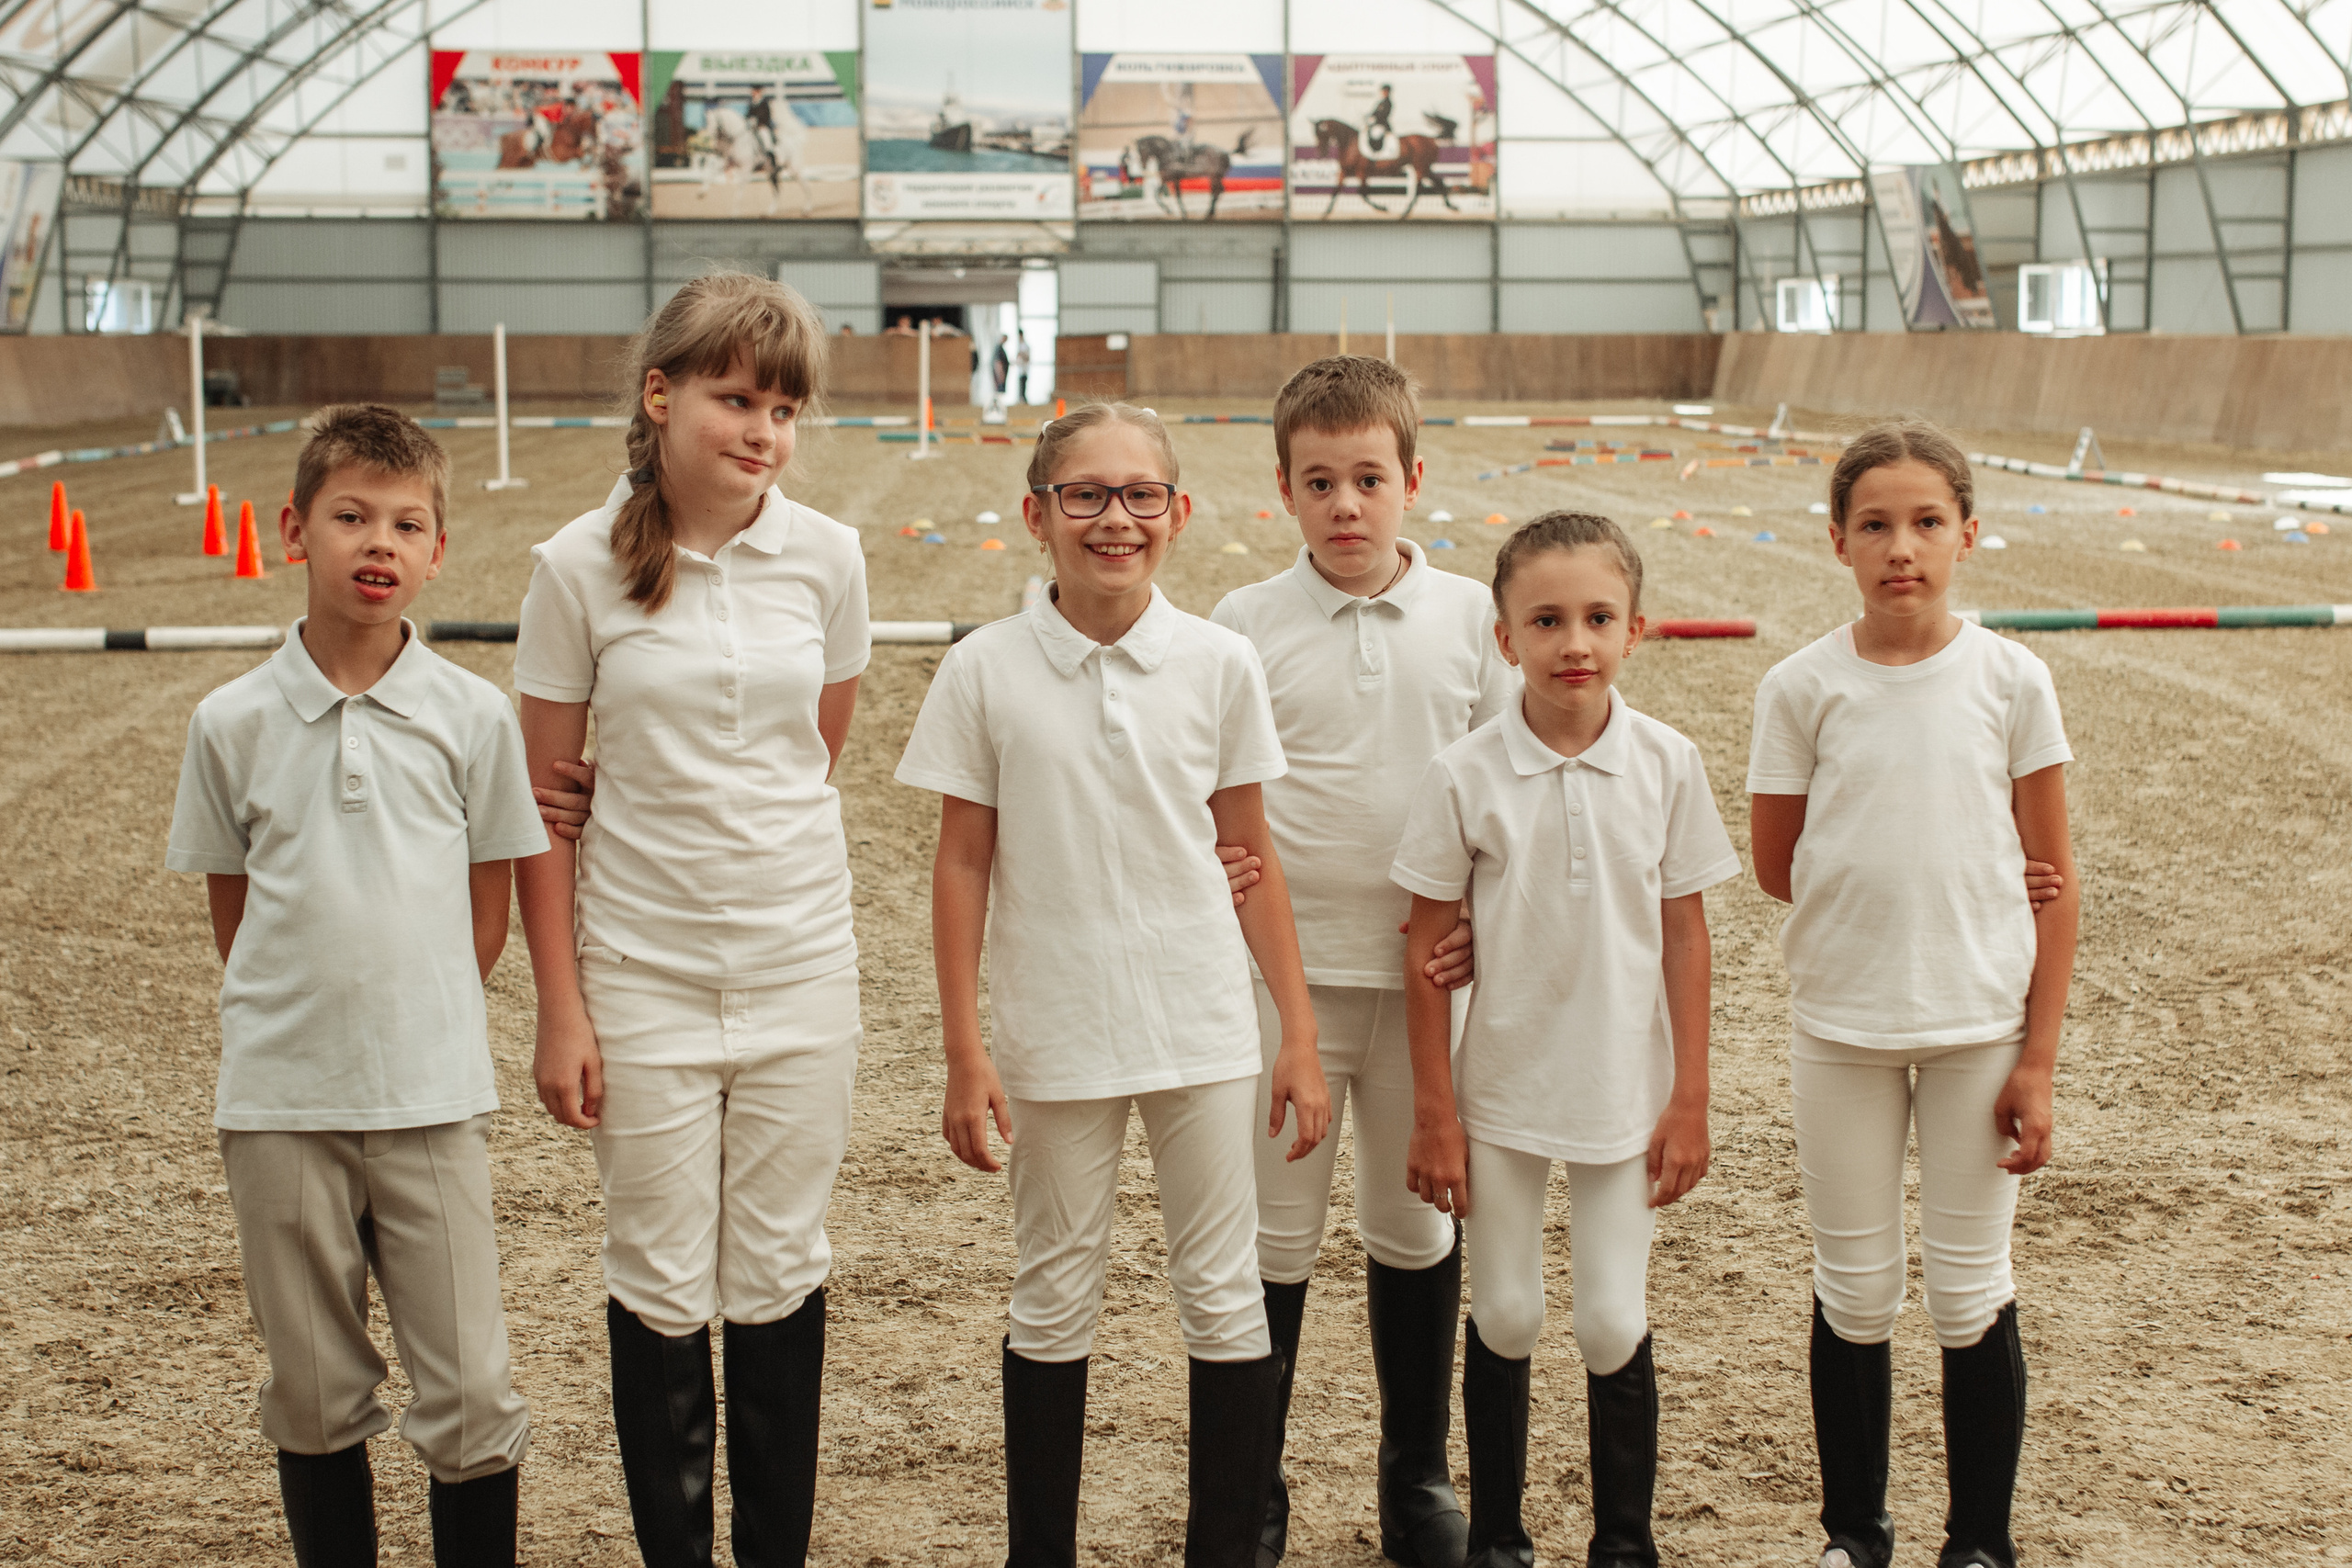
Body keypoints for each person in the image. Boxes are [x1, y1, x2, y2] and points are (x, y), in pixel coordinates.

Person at [896, 401, 1329, 1567]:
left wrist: (1295, 1030)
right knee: (1051, 1292)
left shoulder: (1220, 663)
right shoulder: (983, 669)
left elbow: (1250, 854)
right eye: (1084, 495)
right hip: (1056, 1029)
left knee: (1223, 1295)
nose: (1114, 519)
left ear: (1177, 514)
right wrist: (965, 1048)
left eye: (1140, 495)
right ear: (1037, 514)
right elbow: (962, 863)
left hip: (1201, 1023)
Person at [514, 271, 867, 1568]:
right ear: (660, 396)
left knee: (778, 1266)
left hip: (800, 969)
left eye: (784, 409)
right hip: (641, 975)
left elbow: (812, 753)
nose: (763, 430)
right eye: (736, 399)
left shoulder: (829, 558)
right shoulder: (574, 566)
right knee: (658, 1274)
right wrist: (562, 1008)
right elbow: (543, 811)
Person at [165, 405, 546, 1567]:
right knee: (315, 1388)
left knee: (471, 1393)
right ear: (295, 531)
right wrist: (312, 1019)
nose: (379, 542)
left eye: (407, 524)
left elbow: (490, 905)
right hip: (281, 1104)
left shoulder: (474, 716)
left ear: (437, 551)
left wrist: (418, 1012)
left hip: (431, 1096)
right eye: (351, 517)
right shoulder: (229, 722)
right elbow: (235, 914)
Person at [1747, 422, 2078, 1568]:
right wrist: (1902, 877)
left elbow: (2053, 882)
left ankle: (1978, 1543)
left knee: (1969, 1290)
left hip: (1978, 1029)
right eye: (1876, 525)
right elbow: (1777, 865)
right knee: (1853, 1288)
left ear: (1966, 535)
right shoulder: (1799, 687)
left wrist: (2036, 1060)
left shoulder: (2012, 680)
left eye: (1926, 522)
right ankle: (1856, 1534)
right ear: (1837, 541)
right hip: (1841, 1029)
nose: (1902, 547)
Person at [1396, 512, 1742, 1568]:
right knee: (1504, 1312)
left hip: (1624, 1097)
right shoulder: (1463, 774)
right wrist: (1435, 1113)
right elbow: (1422, 948)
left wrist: (1690, 1096)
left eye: (1598, 617)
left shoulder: (1668, 763)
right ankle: (1498, 1542)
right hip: (1500, 1093)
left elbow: (1685, 936)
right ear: (1505, 638)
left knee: (1608, 1322)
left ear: (1636, 629)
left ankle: (1623, 1544)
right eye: (1545, 621)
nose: (1573, 642)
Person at [1207, 355, 1505, 1568]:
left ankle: (1417, 1476)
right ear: (1283, 486)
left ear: (1411, 481)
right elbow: (1217, 795)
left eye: (1368, 480)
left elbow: (1506, 786)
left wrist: (1491, 913)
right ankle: (1251, 1485)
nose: (1345, 505)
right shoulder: (1243, 624)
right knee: (1272, 1240)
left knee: (1413, 1226)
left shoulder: (1475, 617)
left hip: (1430, 990)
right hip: (1289, 989)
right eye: (1319, 481)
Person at [1012, 332, 1033, 403]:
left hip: (1024, 370)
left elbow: (1027, 358)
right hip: (1020, 370)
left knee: (1023, 386)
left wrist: (1021, 354)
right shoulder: (1019, 346)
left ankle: (1023, 399)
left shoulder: (1025, 346)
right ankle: (1021, 399)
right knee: (1021, 386)